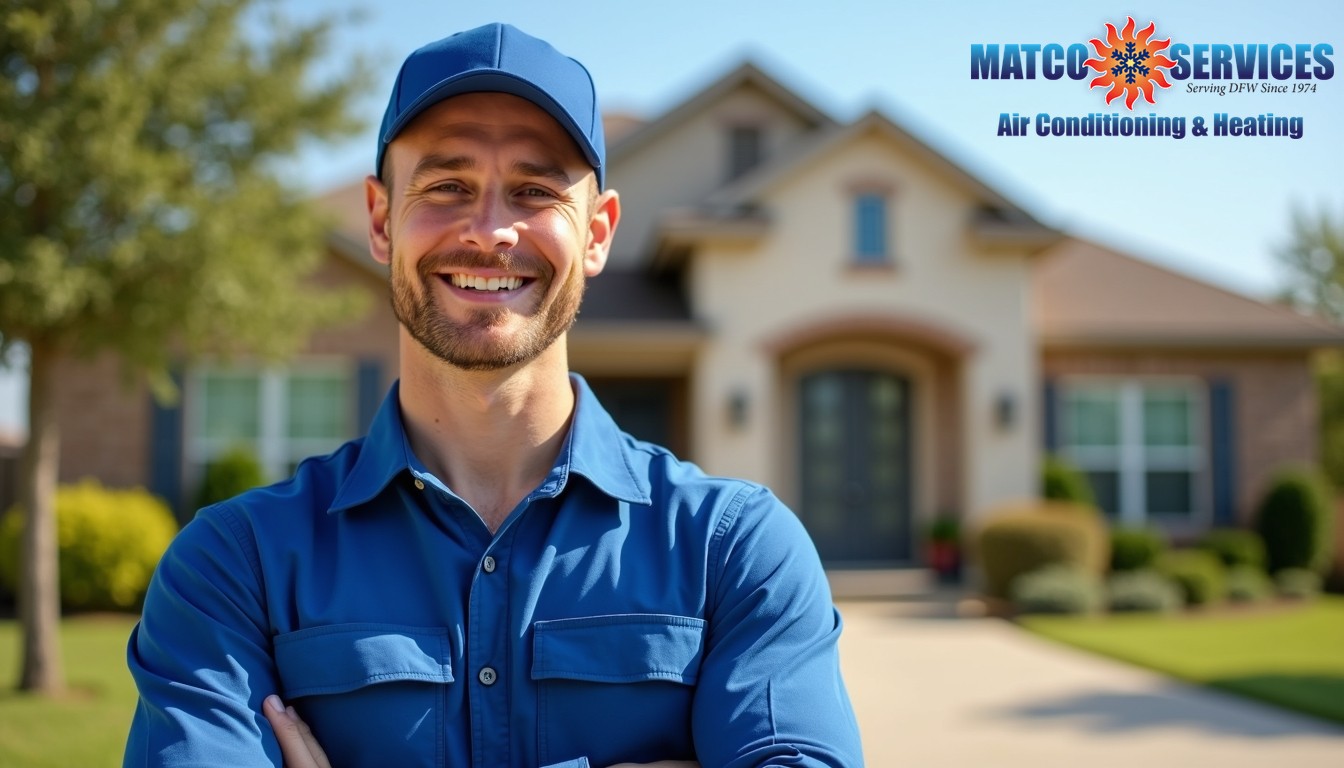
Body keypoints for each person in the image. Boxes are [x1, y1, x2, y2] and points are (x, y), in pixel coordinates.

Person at [124, 22, 863, 768]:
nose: (490, 232)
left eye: (534, 191)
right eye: (448, 186)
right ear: (381, 220)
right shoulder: (233, 566)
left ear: (598, 232)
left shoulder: (733, 551)